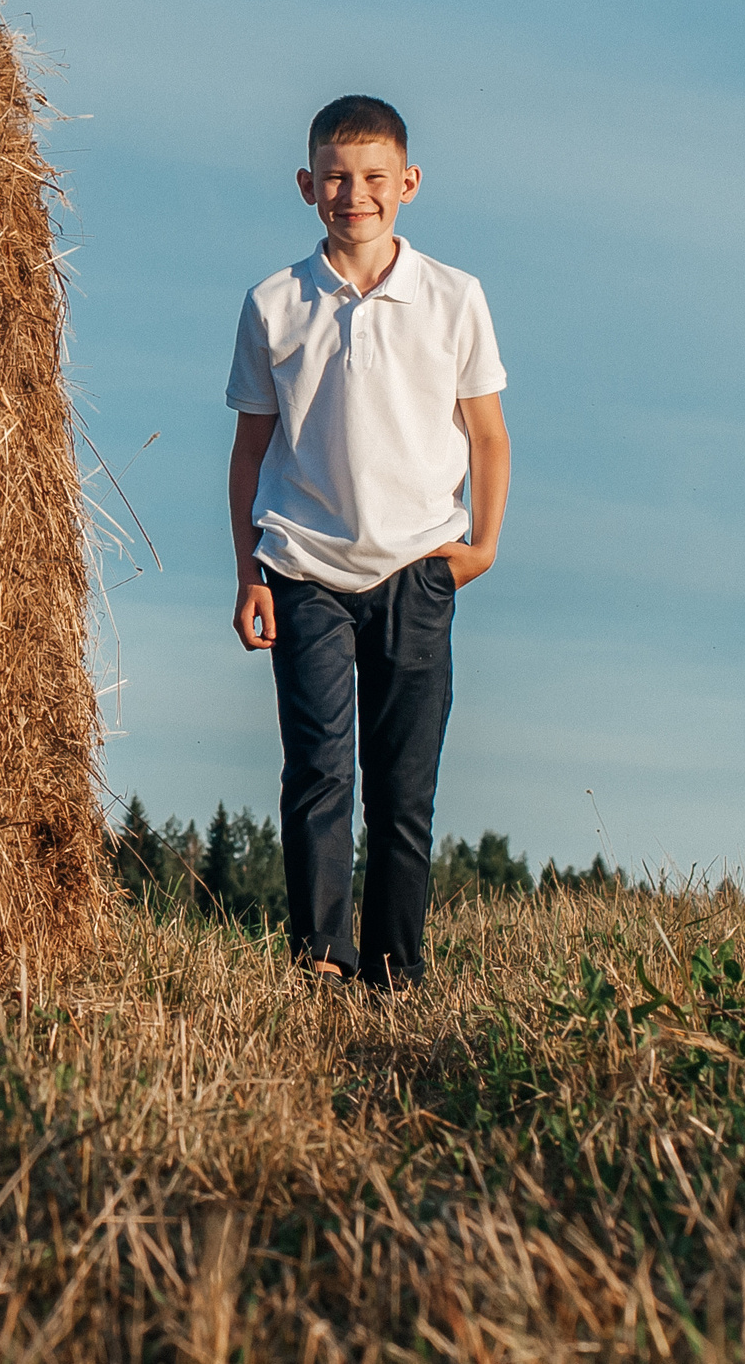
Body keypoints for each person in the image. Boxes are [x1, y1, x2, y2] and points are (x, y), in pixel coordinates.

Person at [224, 95, 510, 990]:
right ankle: (321, 961)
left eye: (374, 178)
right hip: (305, 567)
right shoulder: (275, 304)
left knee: (403, 788)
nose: (356, 194)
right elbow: (250, 452)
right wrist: (250, 574)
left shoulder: (455, 297)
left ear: (408, 184)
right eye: (337, 178)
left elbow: (488, 434)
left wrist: (482, 545)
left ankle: (398, 967)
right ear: (308, 185)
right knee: (316, 775)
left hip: (420, 566)